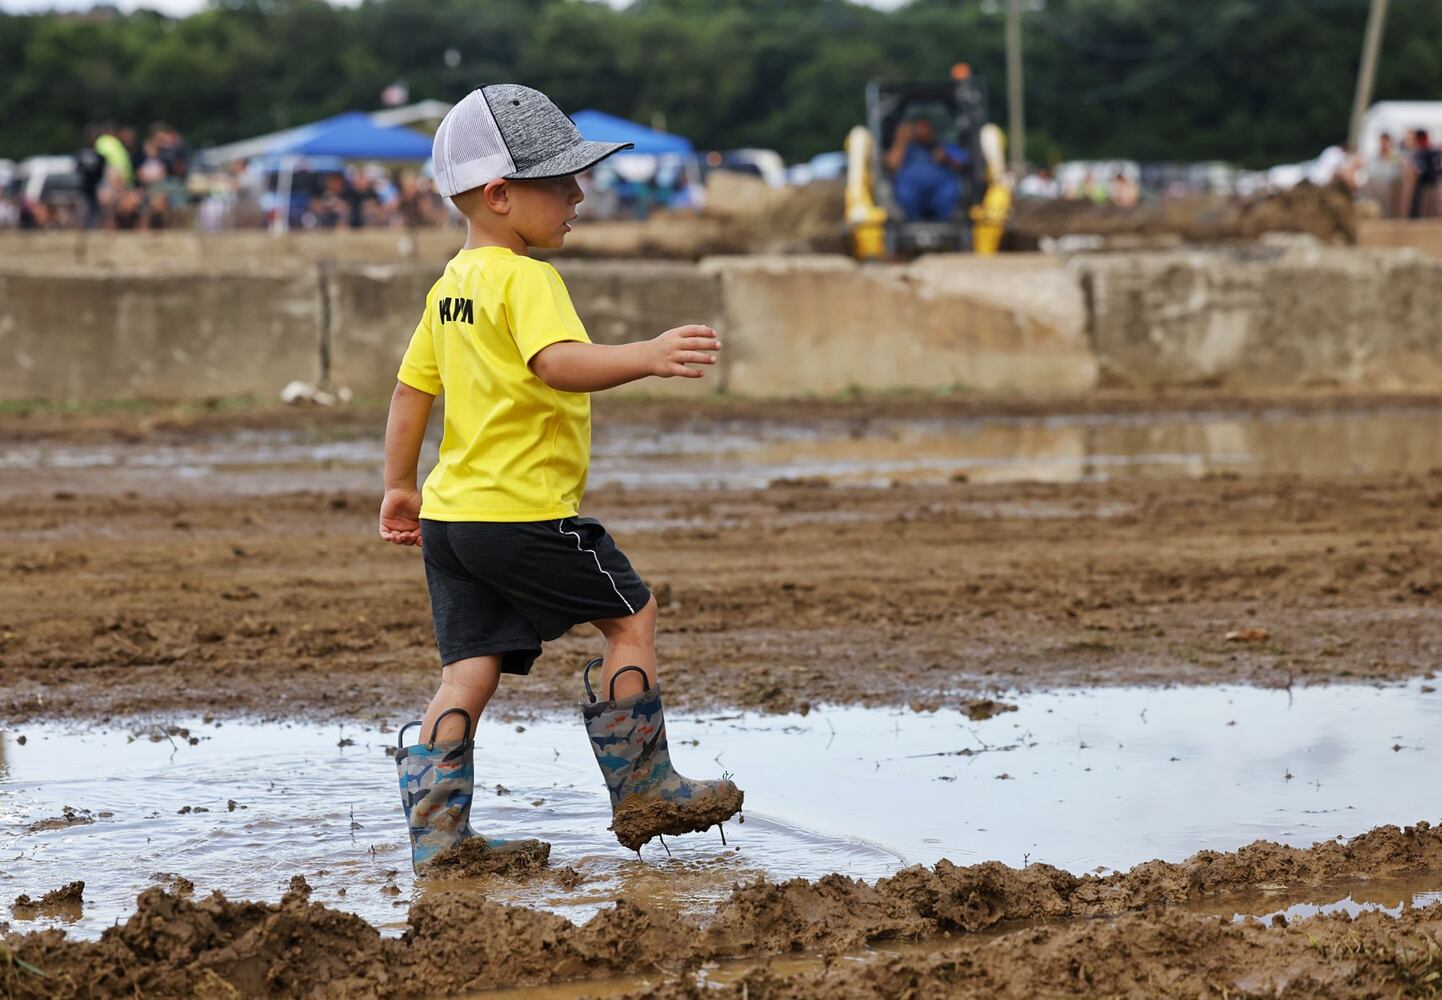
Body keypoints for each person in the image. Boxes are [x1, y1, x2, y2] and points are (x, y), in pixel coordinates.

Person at [380, 84, 743, 873]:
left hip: (451, 522)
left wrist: (400, 486)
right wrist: (643, 355)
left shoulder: (449, 289)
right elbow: (558, 365)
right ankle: (645, 787)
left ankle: (442, 837)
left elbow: (412, 394)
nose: (579, 192)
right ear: (500, 196)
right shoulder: (527, 280)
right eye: (559, 180)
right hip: (523, 514)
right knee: (631, 616)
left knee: (469, 666)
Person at [884, 115, 967, 222]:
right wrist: (901, 140)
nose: (922, 132)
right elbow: (891, 165)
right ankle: (912, 224)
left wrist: (947, 157)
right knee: (904, 193)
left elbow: (964, 163)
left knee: (950, 191)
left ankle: (945, 224)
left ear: (932, 131)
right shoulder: (905, 148)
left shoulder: (944, 146)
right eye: (918, 128)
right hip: (911, 193)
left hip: (940, 192)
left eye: (925, 128)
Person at [1409, 129, 1440, 220]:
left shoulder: (1432, 152)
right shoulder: (1419, 153)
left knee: (1431, 211)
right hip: (1423, 185)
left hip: (1431, 185)